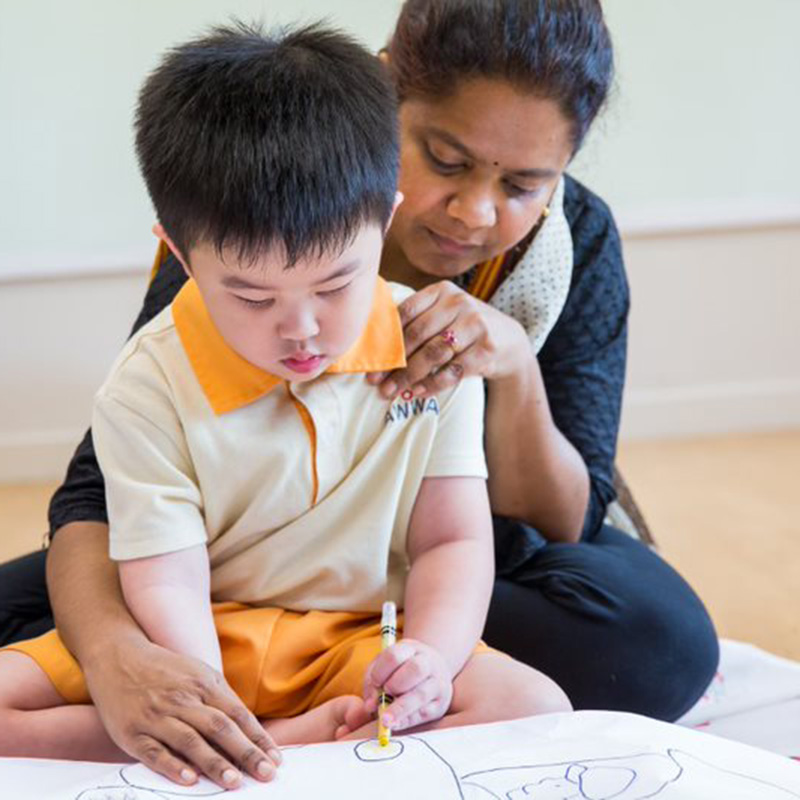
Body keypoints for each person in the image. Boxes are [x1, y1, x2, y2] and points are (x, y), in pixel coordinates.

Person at [0, 0, 718, 787]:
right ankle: (240, 725)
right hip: (207, 561)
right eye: (446, 158)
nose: (477, 211)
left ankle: (282, 720)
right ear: (387, 104)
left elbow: (539, 525)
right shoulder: (240, 212)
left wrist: (510, 366)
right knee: (96, 596)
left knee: (652, 640)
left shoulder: (569, 246)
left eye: (523, 184)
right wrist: (121, 657)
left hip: (400, 581)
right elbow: (101, 501)